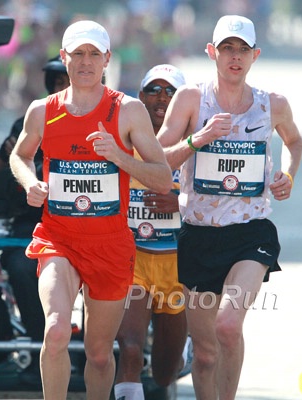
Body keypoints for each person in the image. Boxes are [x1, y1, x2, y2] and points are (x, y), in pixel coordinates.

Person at [9, 20, 172, 399]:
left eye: (93, 54)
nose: (85, 62)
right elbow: (20, 155)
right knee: (56, 332)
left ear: (107, 59)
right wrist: (30, 182)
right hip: (58, 240)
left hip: (109, 246)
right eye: (78, 54)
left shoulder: (127, 111)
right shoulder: (41, 111)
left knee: (98, 355)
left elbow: (162, 178)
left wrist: (118, 155)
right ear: (64, 58)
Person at [156, 15, 302, 399]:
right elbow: (156, 156)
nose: (234, 57)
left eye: (242, 49)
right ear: (212, 53)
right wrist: (198, 140)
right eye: (227, 49)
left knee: (227, 326)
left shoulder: (272, 104)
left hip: (250, 233)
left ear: (255, 55)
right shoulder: (190, 99)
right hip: (198, 234)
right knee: (205, 354)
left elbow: (295, 142)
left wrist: (288, 175)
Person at [0, 55, 69, 377]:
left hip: (89, 221)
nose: (62, 89)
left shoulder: (104, 118)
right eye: (57, 82)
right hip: (33, 222)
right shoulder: (29, 121)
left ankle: (93, 352)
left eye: (68, 81)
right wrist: (10, 158)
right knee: (19, 265)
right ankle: (39, 347)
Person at [114, 64, 188, 400]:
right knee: (129, 350)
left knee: (164, 372)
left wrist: (181, 203)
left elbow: (225, 200)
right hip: (132, 264)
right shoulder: (122, 142)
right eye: (154, 90)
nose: (161, 97)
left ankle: (181, 349)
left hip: (178, 268)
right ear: (140, 98)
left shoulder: (195, 145)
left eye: (170, 91)